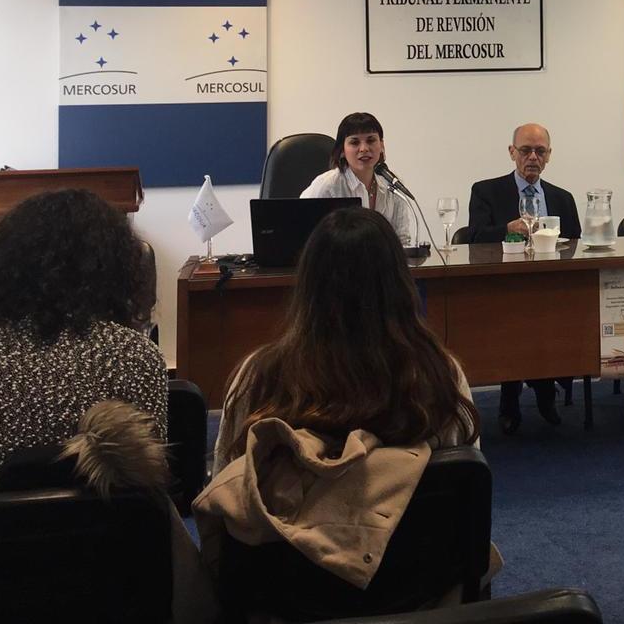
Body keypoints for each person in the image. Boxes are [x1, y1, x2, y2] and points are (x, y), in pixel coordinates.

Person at [201, 207, 483, 593]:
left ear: (307, 286)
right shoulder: (440, 376)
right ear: (400, 284)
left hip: (283, 600)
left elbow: (227, 498)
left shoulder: (257, 378)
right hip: (419, 595)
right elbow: (466, 498)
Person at [0, 188, 167, 495]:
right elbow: (150, 495)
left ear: (2, 265)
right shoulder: (135, 357)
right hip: (98, 528)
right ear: (115, 268)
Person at [465, 122, 583, 434]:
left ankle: (545, 389)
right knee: (516, 319)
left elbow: (575, 243)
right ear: (512, 152)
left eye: (540, 151)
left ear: (549, 156)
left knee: (551, 318)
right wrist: (508, 228)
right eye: (526, 150)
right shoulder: (486, 191)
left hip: (551, 287)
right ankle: (512, 398)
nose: (533, 157)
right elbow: (474, 237)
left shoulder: (562, 198)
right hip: (502, 287)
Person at [301, 111, 419, 247]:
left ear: (381, 145)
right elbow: (303, 234)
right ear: (342, 150)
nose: (364, 148)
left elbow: (402, 241)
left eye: (371, 140)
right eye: (354, 142)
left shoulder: (392, 184)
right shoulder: (327, 186)